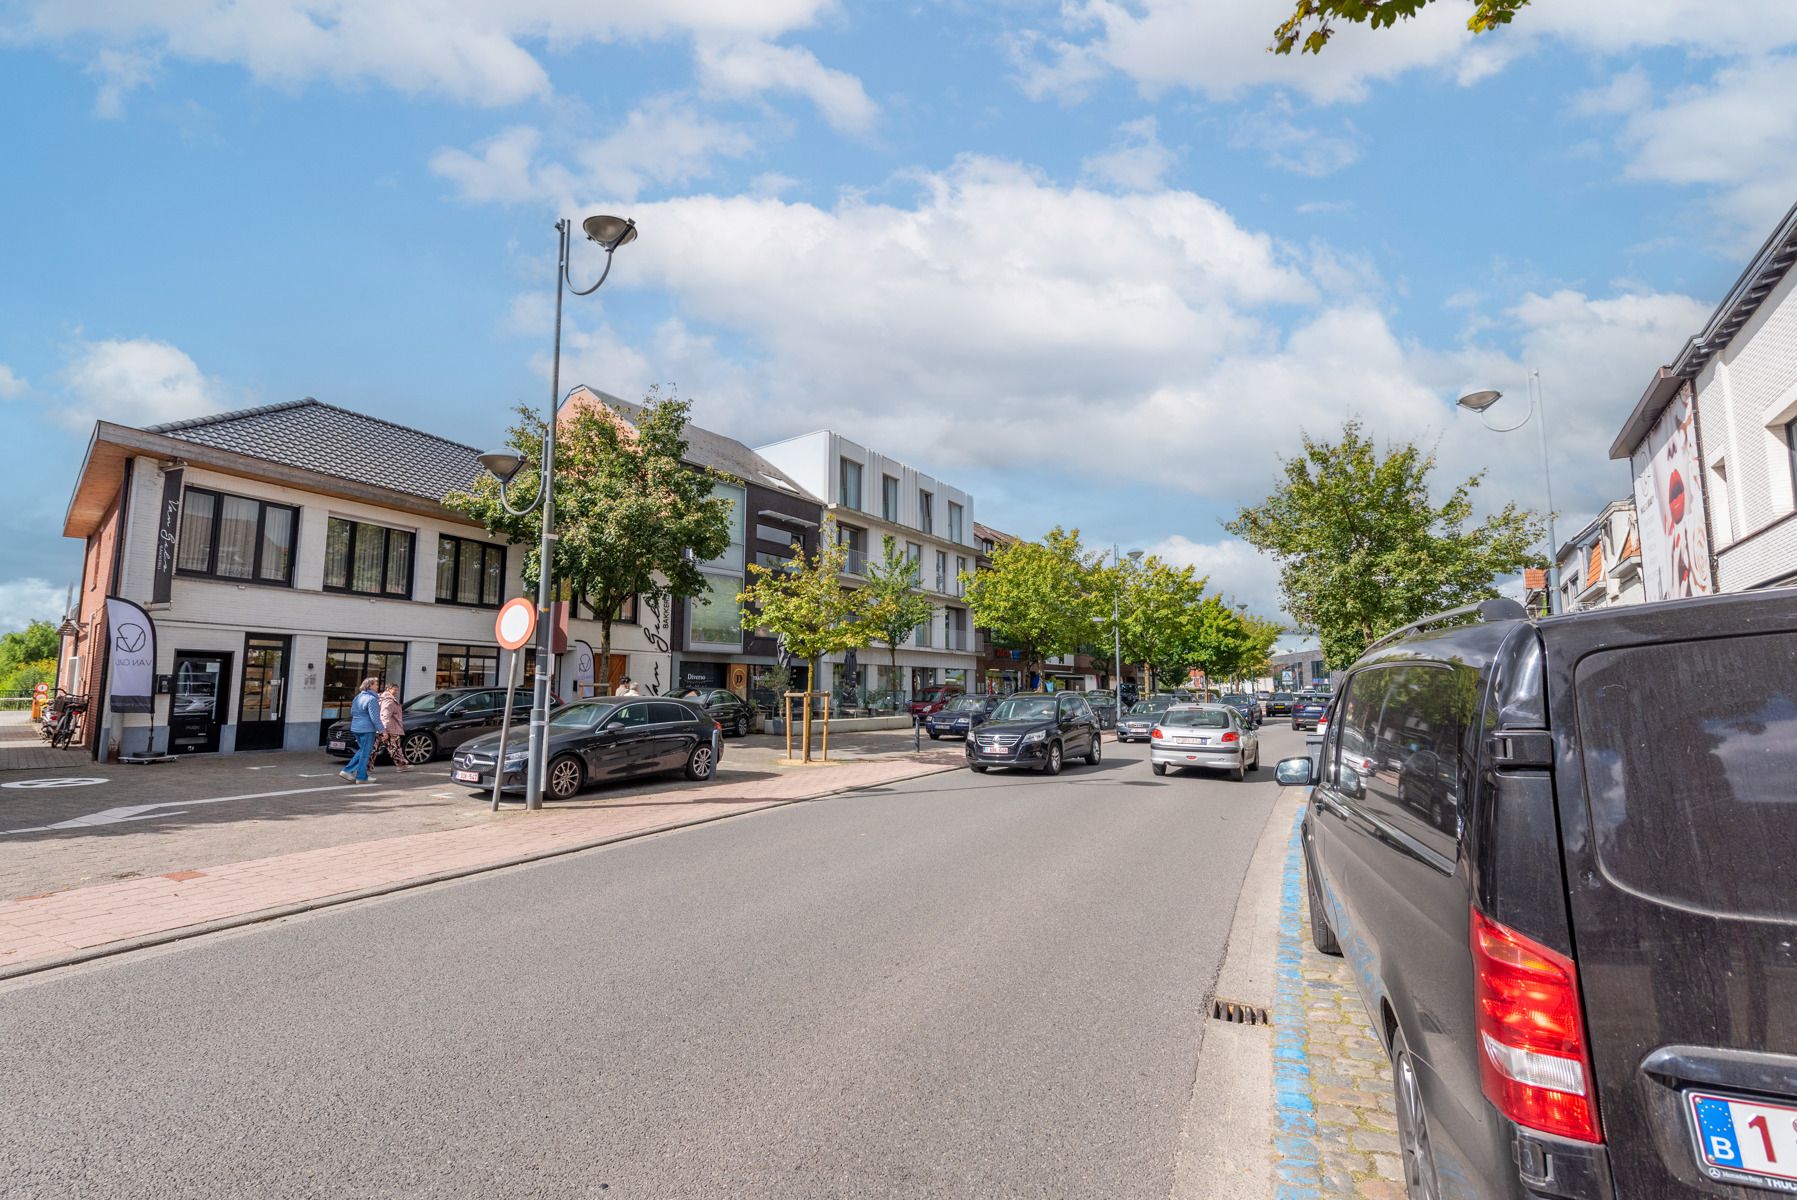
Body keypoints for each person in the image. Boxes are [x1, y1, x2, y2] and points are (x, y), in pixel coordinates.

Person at [340, 677, 382, 783]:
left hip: (356, 727)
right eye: (376, 684)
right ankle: (353, 773)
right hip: (367, 729)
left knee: (362, 750)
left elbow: (352, 712)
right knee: (365, 752)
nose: (378, 686)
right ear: (370, 686)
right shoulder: (372, 699)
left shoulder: (358, 697)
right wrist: (382, 730)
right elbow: (374, 717)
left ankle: (358, 775)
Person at [377, 683, 409, 772]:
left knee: (375, 748)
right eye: (394, 689)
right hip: (390, 728)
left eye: (397, 690)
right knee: (395, 748)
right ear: (388, 689)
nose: (396, 692)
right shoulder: (389, 700)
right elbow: (385, 715)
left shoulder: (382, 698)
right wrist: (384, 730)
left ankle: (365, 765)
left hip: (382, 727)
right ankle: (401, 765)